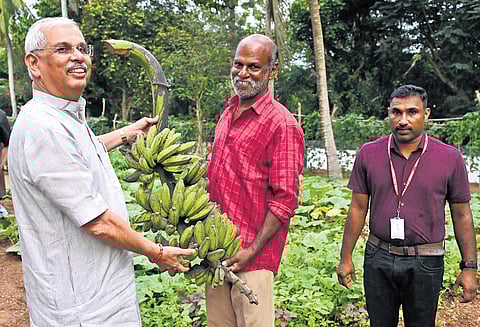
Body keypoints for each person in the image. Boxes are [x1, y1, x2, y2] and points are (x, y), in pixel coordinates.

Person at [8, 17, 194, 326]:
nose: (78, 56)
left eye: (82, 48)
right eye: (63, 49)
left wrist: (127, 133)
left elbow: (80, 150)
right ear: (34, 63)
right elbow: (97, 223)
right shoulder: (43, 129)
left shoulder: (60, 116)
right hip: (83, 305)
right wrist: (155, 251)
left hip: (99, 293)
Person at [337, 84, 478, 326]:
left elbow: (463, 215)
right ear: (388, 113)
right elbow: (358, 208)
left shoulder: (449, 158)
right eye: (396, 112)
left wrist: (469, 268)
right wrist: (345, 257)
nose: (403, 120)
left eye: (412, 112)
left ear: (427, 114)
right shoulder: (369, 153)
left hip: (426, 261)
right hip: (378, 257)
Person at [207, 34, 305, 327]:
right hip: (217, 250)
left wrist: (251, 249)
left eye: (254, 67)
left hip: (254, 259)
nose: (243, 73)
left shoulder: (282, 125)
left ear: (272, 71)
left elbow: (285, 200)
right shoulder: (227, 113)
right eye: (238, 64)